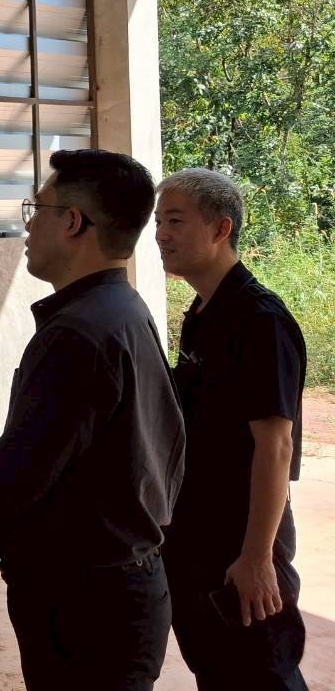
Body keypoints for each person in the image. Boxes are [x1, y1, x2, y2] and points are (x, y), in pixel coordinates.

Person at [0, 149, 186, 691]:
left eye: (38, 208)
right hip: (123, 588)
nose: (28, 224)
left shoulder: (78, 334)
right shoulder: (123, 310)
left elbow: (25, 462)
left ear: (72, 221)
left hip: (87, 609)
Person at [155, 169, 309, 690]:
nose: (161, 235)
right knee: (216, 667)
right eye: (159, 222)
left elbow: (276, 445)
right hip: (199, 528)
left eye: (175, 221)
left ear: (221, 229)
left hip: (242, 537)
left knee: (261, 670)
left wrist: (257, 557)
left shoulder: (259, 319)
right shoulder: (203, 312)